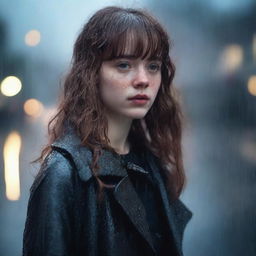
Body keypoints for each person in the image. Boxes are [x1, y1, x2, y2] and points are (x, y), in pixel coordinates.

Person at [22, 6, 192, 256]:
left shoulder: (151, 165)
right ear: (91, 74)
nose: (143, 79)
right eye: (124, 65)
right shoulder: (62, 175)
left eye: (153, 66)